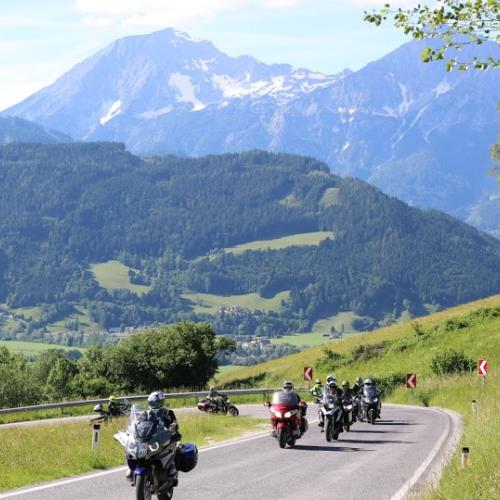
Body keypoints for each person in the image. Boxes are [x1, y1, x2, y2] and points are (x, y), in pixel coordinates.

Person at [126, 391, 181, 480]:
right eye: (152, 402)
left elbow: (173, 422)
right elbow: (138, 422)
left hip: (163, 436)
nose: (155, 404)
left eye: (157, 402)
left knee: (173, 448)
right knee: (134, 450)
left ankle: (172, 470)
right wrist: (132, 429)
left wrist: (172, 426)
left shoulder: (167, 412)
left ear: (161, 402)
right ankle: (130, 468)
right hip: (150, 438)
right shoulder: (146, 413)